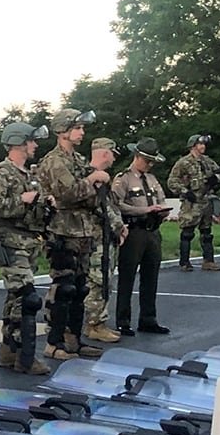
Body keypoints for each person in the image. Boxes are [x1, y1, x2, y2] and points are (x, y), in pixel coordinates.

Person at [36, 107, 110, 360]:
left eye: (81, 128)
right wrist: (93, 179)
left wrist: (90, 185)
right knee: (64, 288)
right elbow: (68, 194)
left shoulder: (77, 160)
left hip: (83, 232)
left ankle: (74, 340)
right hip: (62, 232)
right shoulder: (55, 161)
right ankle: (53, 342)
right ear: (62, 131)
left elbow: (92, 197)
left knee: (80, 289)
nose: (81, 132)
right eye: (77, 128)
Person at [0, 121, 52, 374]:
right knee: (27, 297)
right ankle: (26, 357)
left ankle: (8, 351)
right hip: (11, 242)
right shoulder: (0, 173)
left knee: (16, 299)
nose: (34, 145)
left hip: (30, 241)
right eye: (31, 141)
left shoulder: (29, 175)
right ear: (19, 143)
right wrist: (21, 200)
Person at [111, 139, 173, 336]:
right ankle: (123, 320)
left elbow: (161, 199)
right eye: (147, 161)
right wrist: (144, 210)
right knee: (127, 277)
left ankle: (148, 318)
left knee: (151, 277)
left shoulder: (152, 179)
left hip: (153, 231)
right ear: (137, 157)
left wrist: (162, 211)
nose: (150, 165)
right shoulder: (124, 179)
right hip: (134, 230)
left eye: (152, 161)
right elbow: (116, 204)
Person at [81, 136, 127, 345]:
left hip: (103, 237)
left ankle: (98, 322)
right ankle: (94, 324)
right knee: (98, 281)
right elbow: (101, 207)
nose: (113, 160)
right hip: (96, 237)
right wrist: (119, 227)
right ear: (106, 153)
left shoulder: (96, 177)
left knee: (104, 279)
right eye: (113, 155)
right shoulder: (93, 177)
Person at [168, 134, 220, 271]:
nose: (203, 147)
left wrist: (216, 179)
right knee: (187, 233)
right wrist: (185, 191)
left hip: (206, 200)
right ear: (193, 146)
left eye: (204, 144)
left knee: (207, 233)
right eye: (200, 144)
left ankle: (208, 261)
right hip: (191, 202)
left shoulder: (208, 161)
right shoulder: (183, 163)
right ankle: (184, 262)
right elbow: (172, 181)